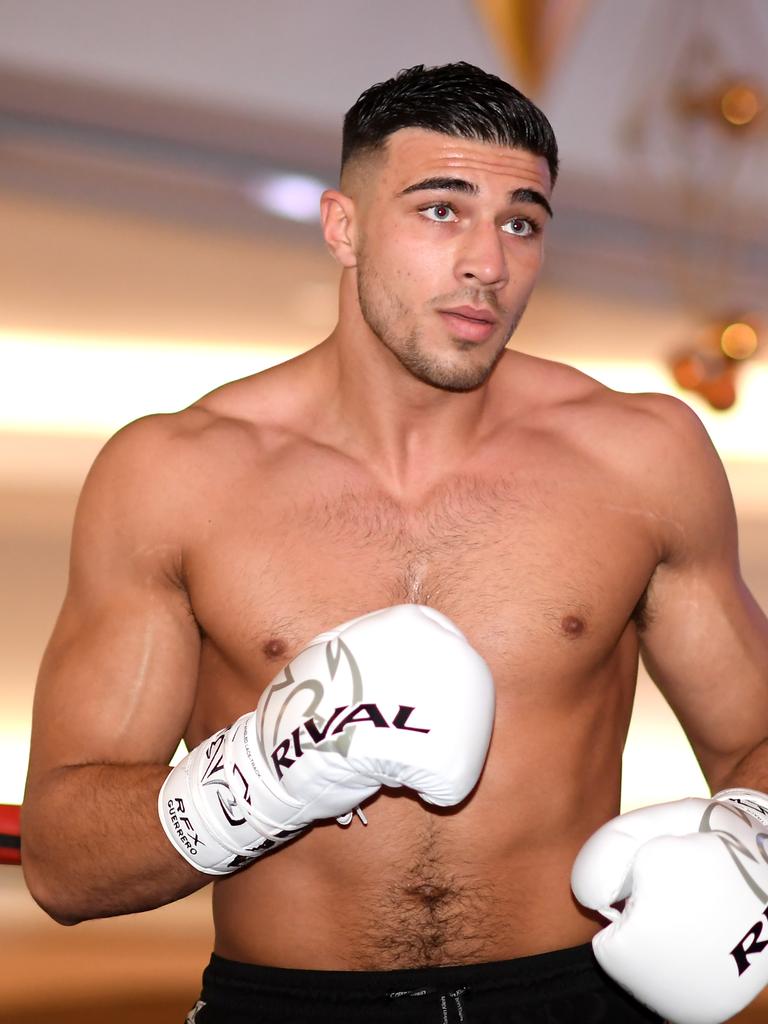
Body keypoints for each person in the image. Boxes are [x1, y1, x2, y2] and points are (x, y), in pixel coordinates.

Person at [21, 61, 768, 1024]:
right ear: (344, 226)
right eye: (440, 210)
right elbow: (63, 865)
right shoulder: (175, 476)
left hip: (567, 999)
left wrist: (750, 842)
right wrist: (264, 775)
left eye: (521, 222)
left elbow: (757, 737)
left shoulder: (642, 458)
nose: (487, 264)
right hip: (285, 1006)